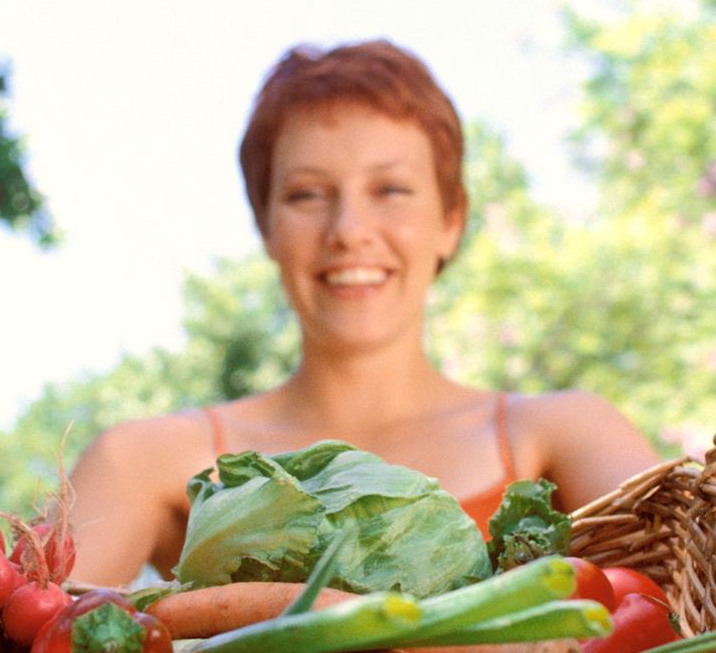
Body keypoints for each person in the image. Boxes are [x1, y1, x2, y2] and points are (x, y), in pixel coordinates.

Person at [66, 39, 660, 587]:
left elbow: (705, 618)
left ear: (451, 222)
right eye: (307, 194)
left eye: (391, 190)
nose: (348, 231)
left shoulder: (559, 436)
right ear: (266, 227)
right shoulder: (148, 462)